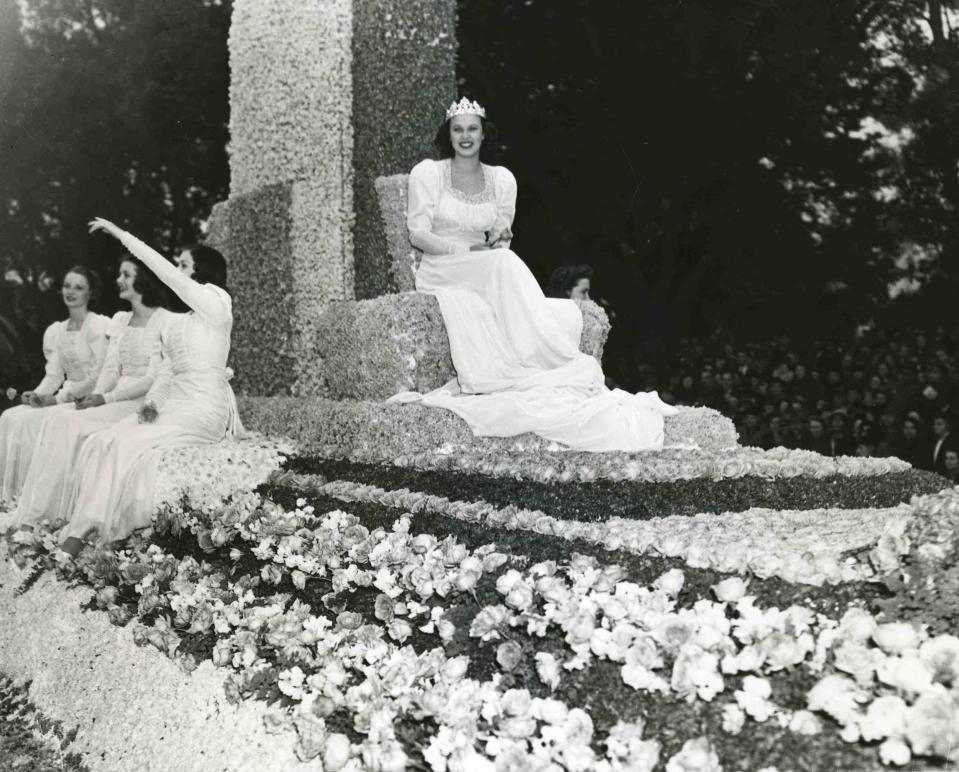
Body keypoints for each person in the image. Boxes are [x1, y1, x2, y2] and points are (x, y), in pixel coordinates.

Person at [389, 98, 676, 451]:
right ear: (448, 135)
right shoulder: (428, 173)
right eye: (457, 129)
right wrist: (464, 252)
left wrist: (497, 241)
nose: (465, 136)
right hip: (442, 266)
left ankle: (535, 359)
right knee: (502, 264)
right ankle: (541, 355)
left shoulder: (501, 179)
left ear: (483, 134)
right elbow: (417, 234)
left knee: (504, 262)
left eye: (472, 129)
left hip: (485, 264)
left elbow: (501, 236)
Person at [56, 220, 243, 557]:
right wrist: (153, 404)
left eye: (185, 264)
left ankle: (83, 533)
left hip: (203, 411)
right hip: (173, 407)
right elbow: (167, 374)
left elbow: (168, 275)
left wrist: (123, 235)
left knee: (128, 443)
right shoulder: (178, 322)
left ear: (205, 271)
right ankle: (86, 525)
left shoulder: (219, 305)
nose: (178, 271)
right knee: (105, 440)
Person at [14, 256, 172, 526]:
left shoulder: (165, 320)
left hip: (141, 401)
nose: (118, 280)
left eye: (126, 274)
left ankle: (68, 515)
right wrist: (95, 397)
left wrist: (105, 398)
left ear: (144, 279)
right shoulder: (121, 319)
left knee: (69, 421)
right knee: (58, 417)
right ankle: (46, 513)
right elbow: (110, 369)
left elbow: (152, 377)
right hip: (110, 398)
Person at [0, 266, 108, 503]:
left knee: (45, 420)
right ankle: (14, 496)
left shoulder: (98, 327)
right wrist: (36, 395)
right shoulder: (57, 330)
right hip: (63, 396)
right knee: (13, 417)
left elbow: (96, 377)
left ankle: (39, 499)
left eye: (79, 287)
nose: (70, 292)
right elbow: (54, 376)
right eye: (67, 286)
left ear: (90, 294)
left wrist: (58, 399)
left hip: (88, 401)